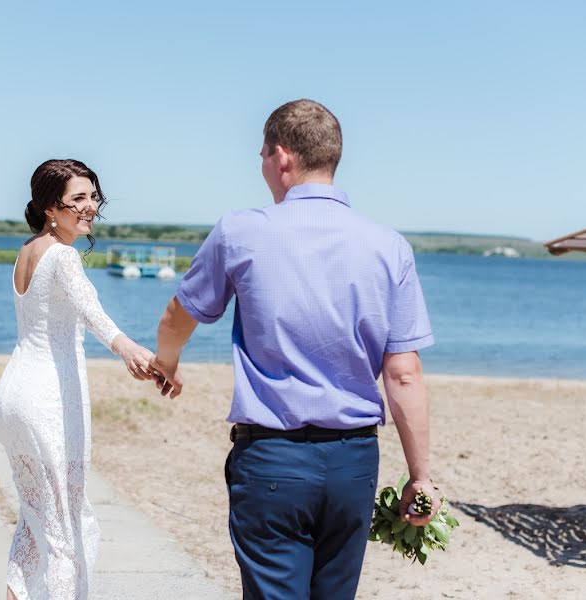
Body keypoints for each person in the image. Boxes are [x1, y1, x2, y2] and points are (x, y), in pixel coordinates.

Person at [150, 99, 442, 599]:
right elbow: (404, 374)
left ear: (282, 157)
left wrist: (167, 364)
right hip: (353, 462)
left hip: (271, 458)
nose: (262, 165)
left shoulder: (240, 230)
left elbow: (180, 314)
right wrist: (421, 476)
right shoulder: (389, 246)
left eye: (262, 154)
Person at [0, 159, 155, 600]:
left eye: (92, 196)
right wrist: (129, 349)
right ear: (51, 207)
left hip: (13, 397)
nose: (90, 207)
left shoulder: (27, 250)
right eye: (77, 199)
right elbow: (92, 312)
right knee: (67, 533)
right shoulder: (63, 256)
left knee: (34, 519)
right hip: (48, 400)